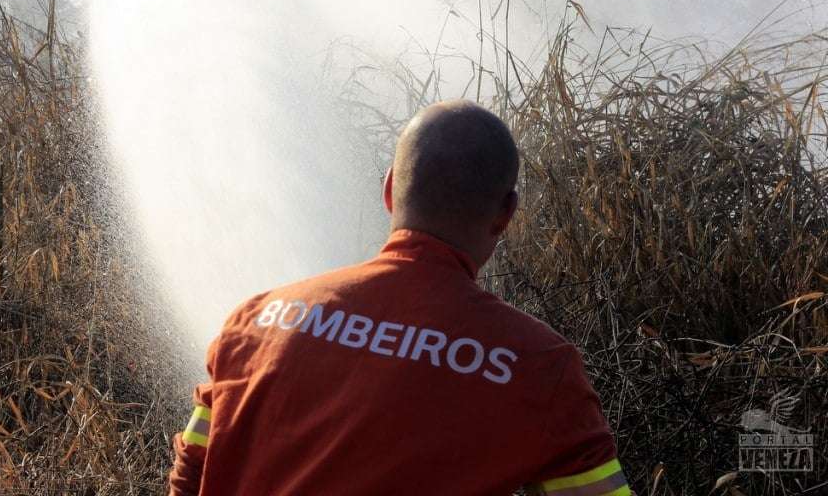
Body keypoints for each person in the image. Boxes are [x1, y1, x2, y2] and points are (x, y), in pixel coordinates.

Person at [168, 100, 629, 495]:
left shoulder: (257, 318)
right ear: (506, 213)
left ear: (389, 188)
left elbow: (191, 474)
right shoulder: (538, 366)